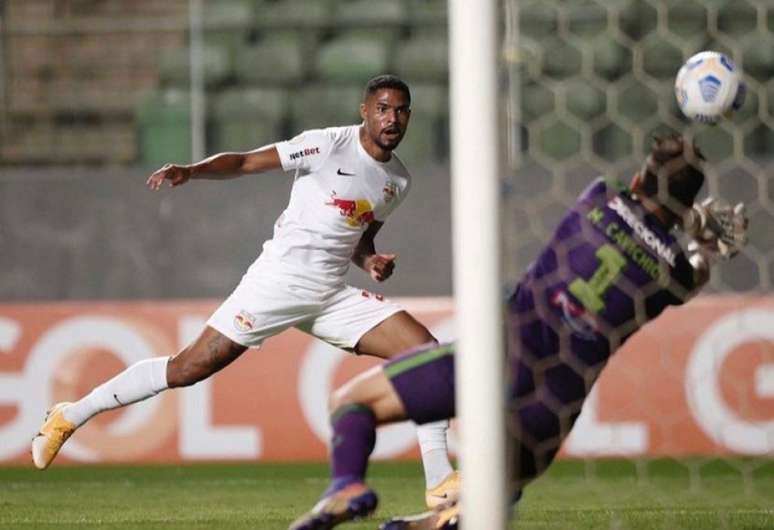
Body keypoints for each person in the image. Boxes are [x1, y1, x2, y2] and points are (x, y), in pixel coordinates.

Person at [31, 74, 458, 508]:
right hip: (278, 281)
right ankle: (71, 414)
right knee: (187, 369)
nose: (392, 118)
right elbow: (246, 162)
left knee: (425, 352)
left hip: (330, 293)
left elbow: (358, 236)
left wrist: (370, 260)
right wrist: (192, 171)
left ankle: (440, 479)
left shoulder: (397, 182)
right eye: (383, 108)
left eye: (401, 110)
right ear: (364, 111)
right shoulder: (327, 144)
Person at [288, 135, 749, 530]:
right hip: (555, 408)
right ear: (684, 203)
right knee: (476, 509)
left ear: (637, 180)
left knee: (351, 402)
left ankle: (345, 484)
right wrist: (706, 243)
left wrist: (688, 221)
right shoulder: (673, 275)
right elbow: (693, 269)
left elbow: (645, 214)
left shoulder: (600, 197)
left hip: (502, 358)